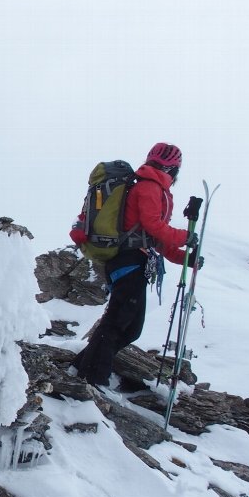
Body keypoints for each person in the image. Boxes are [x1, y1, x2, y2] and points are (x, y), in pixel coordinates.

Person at [71, 142, 195, 387]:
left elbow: (155, 239)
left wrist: (186, 258)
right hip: (128, 260)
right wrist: (184, 237)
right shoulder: (149, 187)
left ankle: (80, 368)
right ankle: (92, 379)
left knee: (130, 328)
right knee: (118, 322)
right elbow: (152, 225)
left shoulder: (154, 188)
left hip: (133, 260)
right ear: (174, 169)